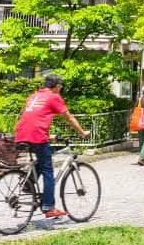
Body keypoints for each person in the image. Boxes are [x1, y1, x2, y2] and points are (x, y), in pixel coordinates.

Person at [14, 74, 89, 219]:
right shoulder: (53, 97)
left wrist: (48, 136)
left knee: (43, 159)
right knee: (48, 171)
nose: (61, 88)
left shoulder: (33, 96)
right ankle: (48, 206)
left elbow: (33, 117)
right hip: (37, 135)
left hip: (22, 134)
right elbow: (69, 118)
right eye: (61, 86)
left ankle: (28, 183)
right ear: (57, 86)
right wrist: (82, 132)